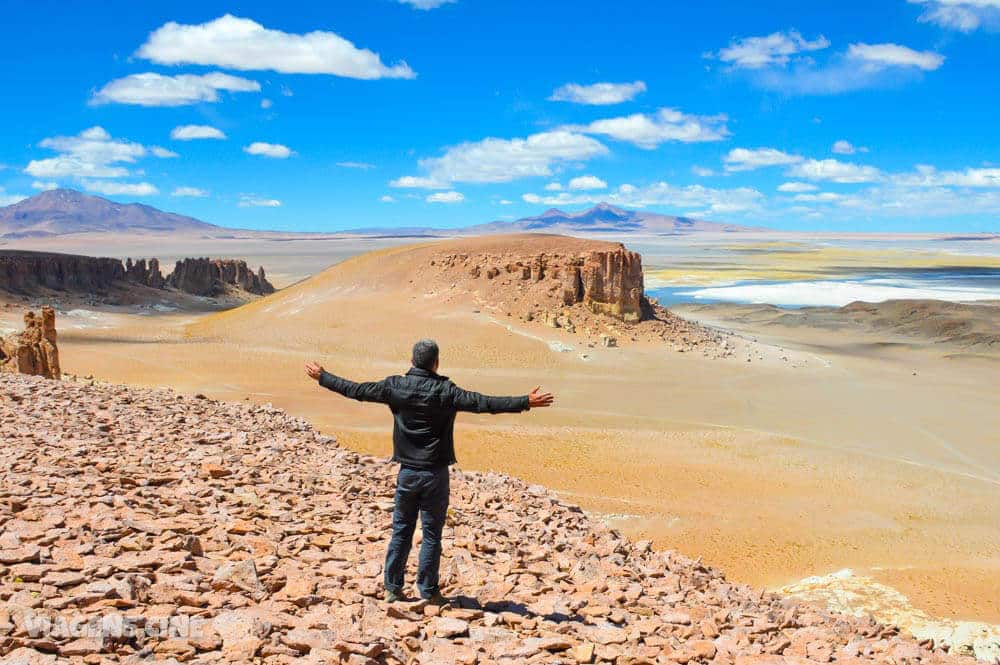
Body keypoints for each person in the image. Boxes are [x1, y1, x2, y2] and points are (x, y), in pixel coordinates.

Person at [305, 339, 554, 604]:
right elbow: (484, 403)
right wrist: (525, 401)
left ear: (412, 361)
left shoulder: (396, 386)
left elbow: (356, 390)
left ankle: (392, 588)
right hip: (435, 475)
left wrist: (323, 377)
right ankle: (428, 591)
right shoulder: (446, 391)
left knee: (401, 530)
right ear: (436, 363)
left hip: (408, 473)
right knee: (432, 535)